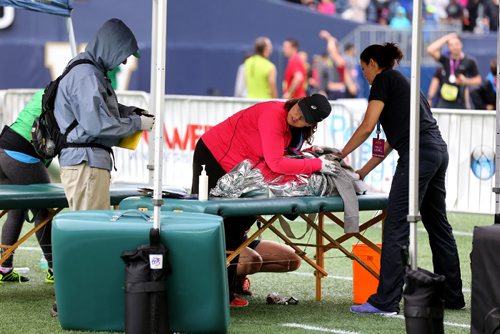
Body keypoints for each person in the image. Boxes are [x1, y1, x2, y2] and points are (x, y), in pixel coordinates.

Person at [339, 43, 465, 314]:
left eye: (364, 70)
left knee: (396, 225)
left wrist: (339, 155)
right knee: (438, 225)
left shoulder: (383, 81)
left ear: (373, 63)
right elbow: (390, 142)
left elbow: (366, 127)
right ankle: (453, 297)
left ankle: (385, 301)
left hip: (418, 156)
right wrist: (363, 171)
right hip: (437, 152)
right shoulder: (407, 83)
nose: (365, 76)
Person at [191, 94, 334, 307]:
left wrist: (312, 156)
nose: (297, 116)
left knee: (288, 259)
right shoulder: (272, 115)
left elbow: (285, 156)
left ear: (312, 124)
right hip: (214, 156)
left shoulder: (297, 129)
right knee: (219, 221)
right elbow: (276, 163)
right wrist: (316, 166)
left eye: (304, 118)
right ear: (296, 101)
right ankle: (221, 292)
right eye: (298, 109)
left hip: (245, 168)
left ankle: (235, 278)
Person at [54, 18, 155, 211]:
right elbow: (97, 124)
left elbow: (99, 111)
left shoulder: (87, 71)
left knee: (89, 231)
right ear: (111, 47)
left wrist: (131, 113)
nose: (124, 61)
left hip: (84, 163)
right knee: (91, 233)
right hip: (86, 164)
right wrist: (136, 123)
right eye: (123, 54)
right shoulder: (87, 75)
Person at [0, 90, 54, 283]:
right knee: (43, 212)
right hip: (21, 155)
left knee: (16, 210)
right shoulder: (70, 94)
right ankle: (54, 268)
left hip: (4, 148)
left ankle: (4, 268)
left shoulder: (46, 90)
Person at [426, 32, 481, 109]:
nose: (454, 47)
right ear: (448, 47)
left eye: (456, 44)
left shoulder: (469, 61)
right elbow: (430, 50)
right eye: (451, 45)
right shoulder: (445, 60)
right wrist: (446, 38)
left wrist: (465, 81)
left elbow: (478, 80)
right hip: (444, 102)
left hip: (460, 102)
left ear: (461, 44)